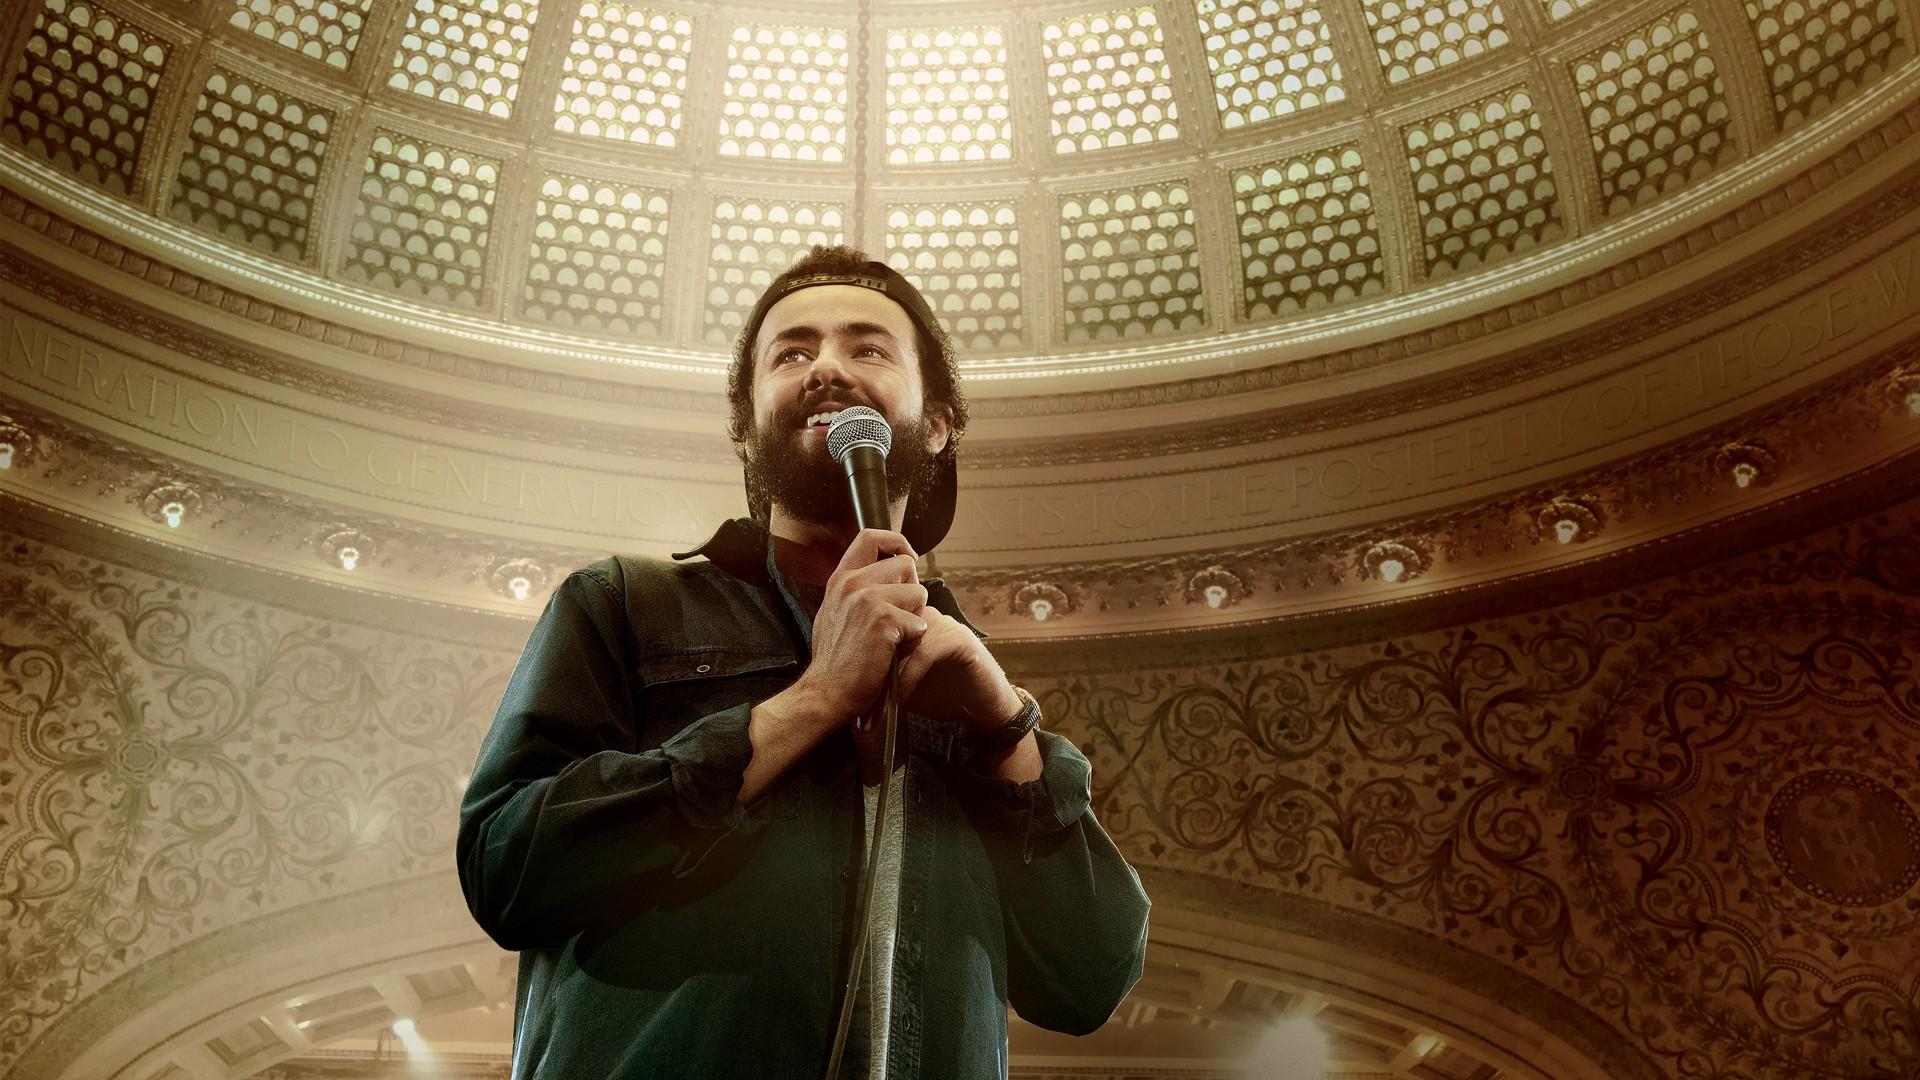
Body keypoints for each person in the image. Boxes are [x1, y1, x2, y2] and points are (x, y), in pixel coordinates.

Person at [456, 245, 1151, 1079]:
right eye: (791, 353)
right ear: (746, 430)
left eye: (868, 348)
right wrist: (813, 700)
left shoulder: (974, 686)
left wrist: (1006, 734)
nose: (826, 368)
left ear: (937, 425)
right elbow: (505, 867)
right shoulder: (624, 604)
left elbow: (1089, 979)